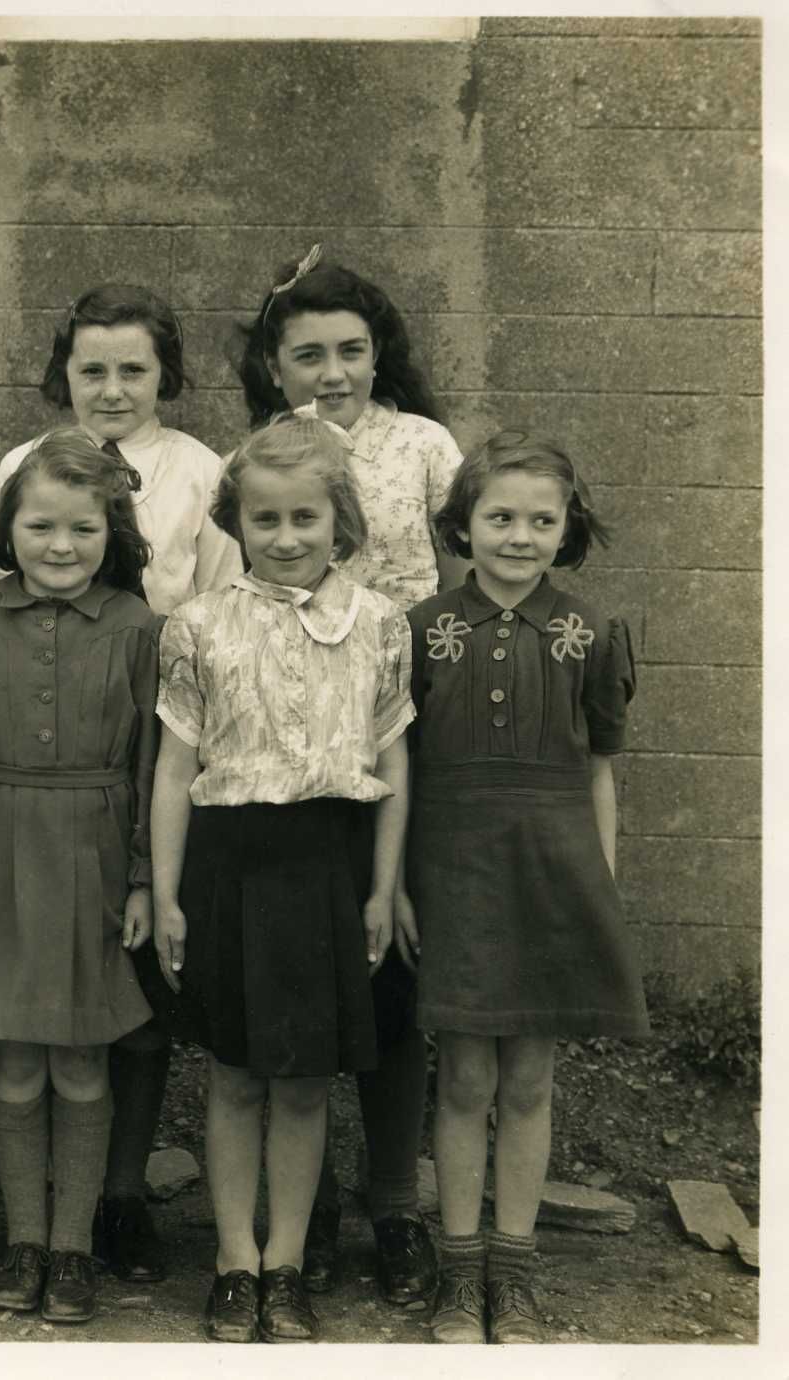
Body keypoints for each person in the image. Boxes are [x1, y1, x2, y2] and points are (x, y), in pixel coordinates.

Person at [0, 283, 241, 1282]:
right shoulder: (24, 464)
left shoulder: (198, 471)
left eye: (133, 369)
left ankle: (119, 1196)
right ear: (65, 372)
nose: (111, 387)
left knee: (130, 1003)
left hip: (154, 727)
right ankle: (42, 1223)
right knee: (42, 1017)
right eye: (92, 368)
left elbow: (219, 604)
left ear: (165, 376)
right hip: (48, 741)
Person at [230, 245, 464, 1301]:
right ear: (276, 367)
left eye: (354, 350)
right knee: (305, 972)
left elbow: (464, 566)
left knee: (392, 966)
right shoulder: (261, 456)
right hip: (292, 735)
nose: (334, 370)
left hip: (399, 705)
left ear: (382, 357)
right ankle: (304, 1205)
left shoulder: (422, 443)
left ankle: (393, 1202)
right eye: (309, 353)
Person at [148, 415, 414, 1344]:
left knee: (303, 1081)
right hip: (232, 864)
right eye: (266, 520)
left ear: (340, 521)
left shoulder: (380, 624)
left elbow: (393, 763)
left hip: (329, 864)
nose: (288, 537)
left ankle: (288, 1262)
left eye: (306, 517)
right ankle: (233, 1261)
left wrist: (382, 887)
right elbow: (175, 770)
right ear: (237, 525)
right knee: (234, 1075)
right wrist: (170, 891)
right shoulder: (198, 625)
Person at [399, 431, 645, 1344]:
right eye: (499, 516)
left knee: (532, 1074)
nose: (519, 536)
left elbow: (601, 776)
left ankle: (516, 1269)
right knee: (463, 1073)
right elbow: (404, 769)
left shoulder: (589, 632)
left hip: (554, 873)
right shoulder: (424, 629)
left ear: (566, 529)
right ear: (463, 524)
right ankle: (458, 1274)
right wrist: (401, 885)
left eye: (542, 520)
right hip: (455, 869)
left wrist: (601, 887)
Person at [0, 430, 160, 1323]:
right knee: (15, 1064)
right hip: (0, 844)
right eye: (40, 526)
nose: (61, 546)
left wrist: (146, 877)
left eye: (83, 528)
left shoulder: (139, 627)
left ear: (112, 532)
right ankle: (22, 1242)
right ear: (7, 527)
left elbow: (158, 760)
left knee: (81, 1061)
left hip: (98, 849)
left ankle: (73, 1246)